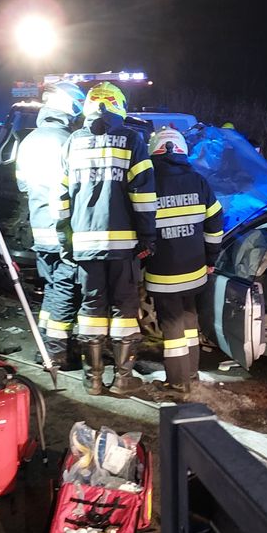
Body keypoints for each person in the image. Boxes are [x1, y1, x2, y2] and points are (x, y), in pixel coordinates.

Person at [55, 82, 157, 396]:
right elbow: (142, 193)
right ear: (119, 106)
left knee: (90, 310)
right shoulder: (131, 139)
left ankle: (93, 381)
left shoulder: (73, 142)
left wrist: (65, 239)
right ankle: (122, 379)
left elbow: (61, 197)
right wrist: (147, 235)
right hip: (123, 244)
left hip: (85, 244)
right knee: (124, 311)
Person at [144, 127, 223, 394]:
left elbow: (140, 225)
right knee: (190, 319)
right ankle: (191, 374)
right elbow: (215, 220)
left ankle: (178, 383)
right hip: (195, 269)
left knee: (172, 324)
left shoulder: (148, 181)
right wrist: (211, 256)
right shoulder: (198, 180)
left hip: (163, 271)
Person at [16, 80, 86, 369]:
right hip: (62, 232)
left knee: (52, 287)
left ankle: (46, 345)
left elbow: (22, 185)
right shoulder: (66, 142)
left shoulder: (29, 141)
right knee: (65, 289)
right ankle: (56, 354)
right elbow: (76, 190)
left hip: (40, 230)